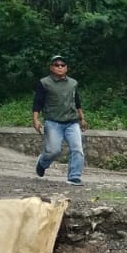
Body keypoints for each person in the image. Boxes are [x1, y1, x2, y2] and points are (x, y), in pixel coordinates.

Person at [31, 55, 87, 186]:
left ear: (66, 68)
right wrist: (35, 119)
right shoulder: (45, 83)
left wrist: (82, 118)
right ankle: (42, 162)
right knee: (53, 151)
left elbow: (76, 101)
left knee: (77, 149)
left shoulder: (72, 83)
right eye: (56, 65)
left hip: (72, 122)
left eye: (62, 65)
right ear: (51, 67)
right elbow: (37, 102)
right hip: (53, 122)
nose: (60, 67)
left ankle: (74, 177)